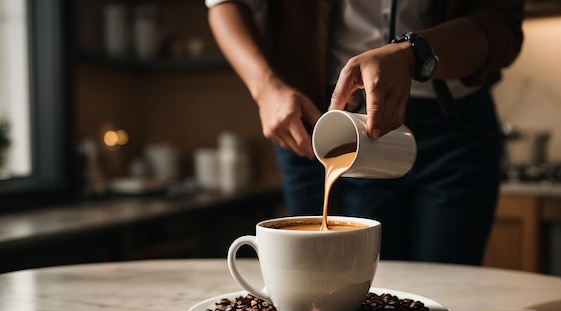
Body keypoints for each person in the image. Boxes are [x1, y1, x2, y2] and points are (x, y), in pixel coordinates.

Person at [205, 0, 524, 264]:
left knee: (449, 293)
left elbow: (501, 24)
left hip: (451, 123)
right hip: (324, 120)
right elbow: (225, 4)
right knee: (325, 291)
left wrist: (414, 53)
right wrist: (265, 87)